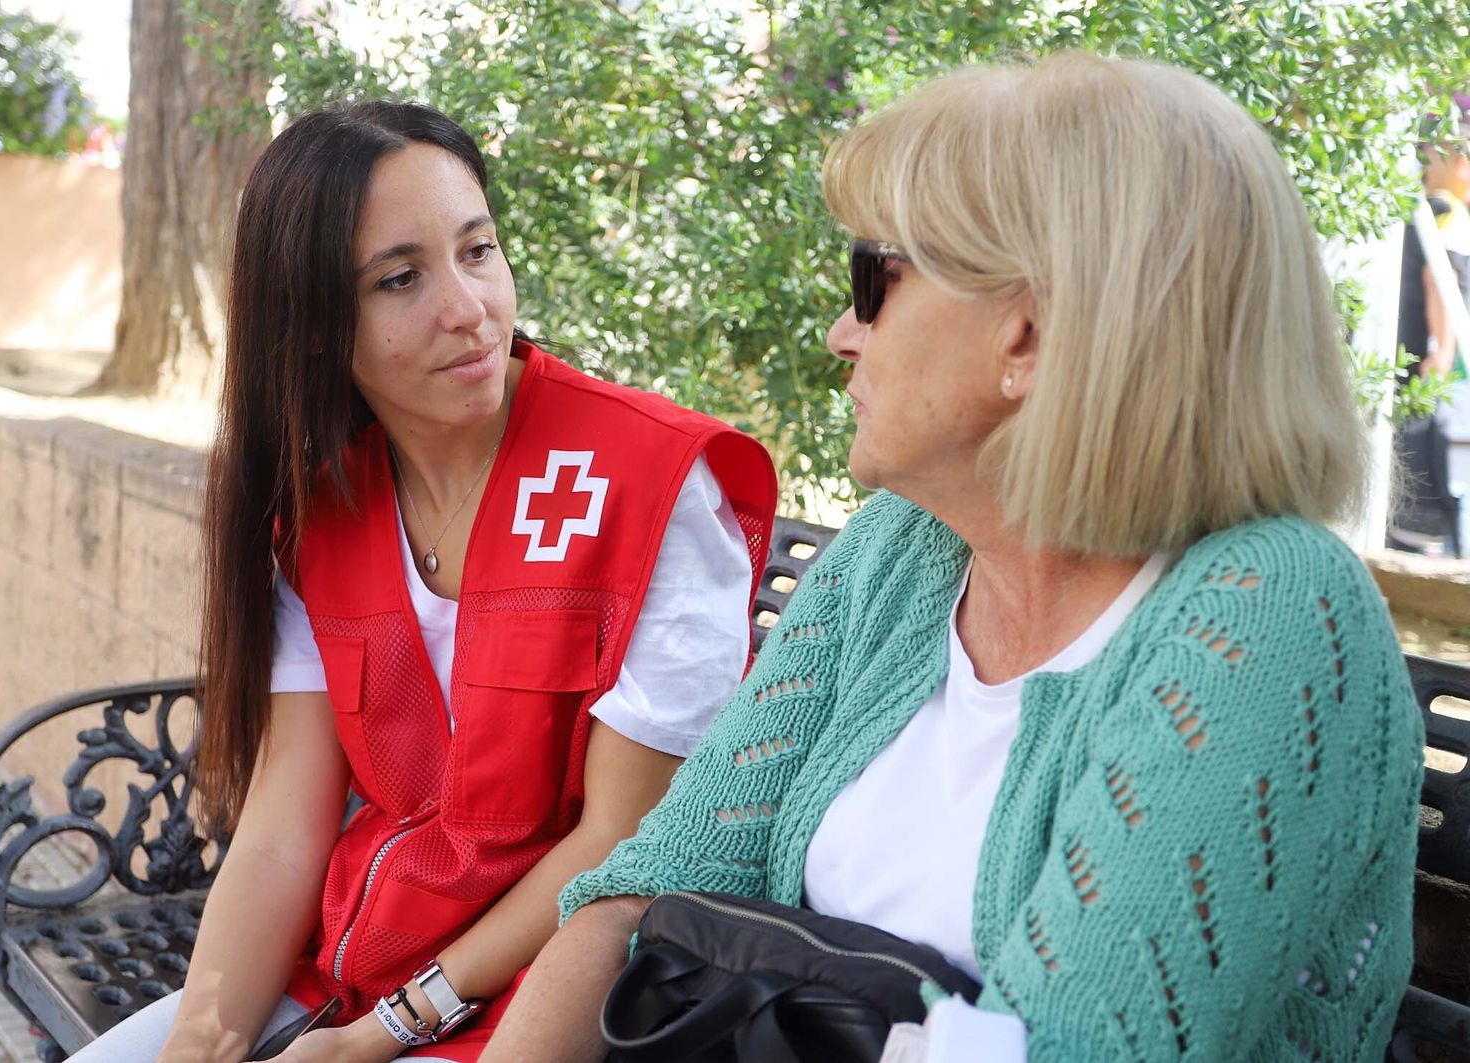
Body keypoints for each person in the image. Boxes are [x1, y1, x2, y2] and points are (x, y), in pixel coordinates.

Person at [485, 52, 1425, 1062]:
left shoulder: (1267, 610)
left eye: (871, 279)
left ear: (1027, 330)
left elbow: (1071, 1048)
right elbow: (639, 897)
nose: (842, 332)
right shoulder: (902, 549)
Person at [67, 101, 777, 1062]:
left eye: (478, 251)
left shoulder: (646, 482)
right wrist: (204, 1037)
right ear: (314, 329)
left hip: (566, 986)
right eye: (400, 278)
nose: (467, 307)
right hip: (363, 964)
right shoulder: (322, 515)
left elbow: (623, 836)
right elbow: (284, 825)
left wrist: (390, 1028)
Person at [1390, 101, 1470, 555]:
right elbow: (1441, 281)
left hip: (1411, 352)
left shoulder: (1422, 209)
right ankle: (1424, 531)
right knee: (1425, 442)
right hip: (1432, 356)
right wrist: (1442, 347)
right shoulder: (1448, 212)